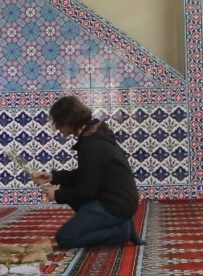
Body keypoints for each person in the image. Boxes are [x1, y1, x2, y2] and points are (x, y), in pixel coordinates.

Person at [31, 95, 145, 249]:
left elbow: (86, 191)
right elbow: (87, 174)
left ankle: (120, 232)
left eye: (58, 123)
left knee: (65, 238)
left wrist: (57, 194)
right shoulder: (94, 134)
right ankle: (119, 223)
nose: (57, 128)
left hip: (115, 205)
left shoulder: (91, 145)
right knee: (71, 193)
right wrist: (53, 176)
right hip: (121, 200)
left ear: (68, 121)